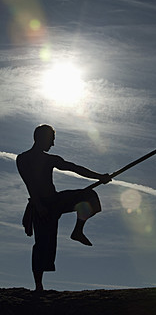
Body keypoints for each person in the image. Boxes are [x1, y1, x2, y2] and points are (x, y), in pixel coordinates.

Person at [16, 124, 111, 291]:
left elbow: (75, 168)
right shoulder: (23, 159)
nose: (52, 144)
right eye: (51, 140)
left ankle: (77, 231)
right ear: (42, 138)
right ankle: (39, 285)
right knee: (43, 244)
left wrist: (99, 177)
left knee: (89, 196)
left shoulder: (50, 159)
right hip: (41, 206)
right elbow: (30, 183)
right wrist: (38, 206)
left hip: (56, 201)